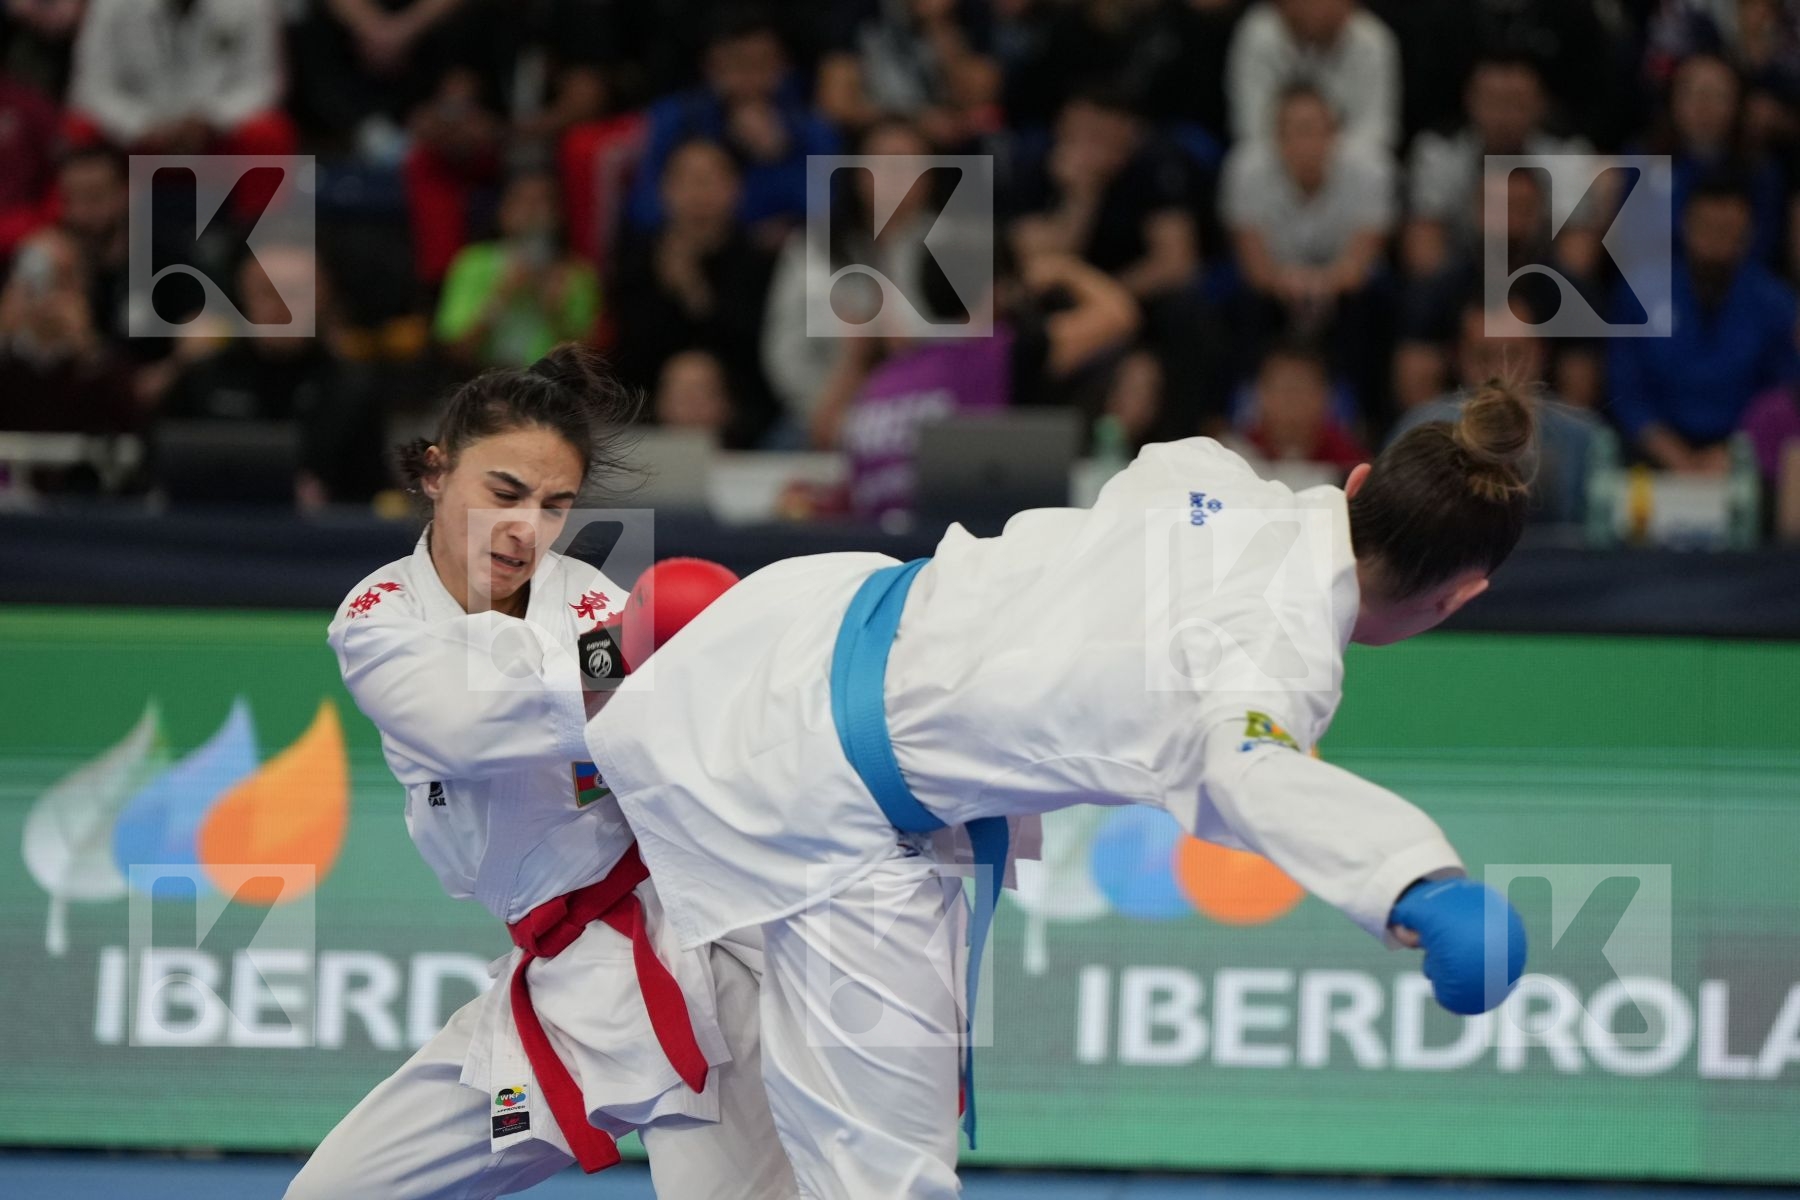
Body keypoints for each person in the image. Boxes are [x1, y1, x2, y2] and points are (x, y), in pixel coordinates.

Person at [585, 383, 1537, 1197]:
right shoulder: (1272, 662)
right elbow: (1254, 771)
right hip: (827, 807)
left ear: (1358, 483)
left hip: (787, 624)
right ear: (1458, 598)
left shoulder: (1206, 472)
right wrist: (1421, 883)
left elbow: (1163, 478)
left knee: (741, 1149)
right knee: (881, 1183)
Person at [289, 346, 797, 1200]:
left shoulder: (593, 605)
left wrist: (690, 665)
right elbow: (459, 727)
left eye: (555, 505)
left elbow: (681, 735)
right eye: (505, 493)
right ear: (436, 471)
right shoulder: (381, 619)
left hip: (696, 961)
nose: (528, 527)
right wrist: (625, 677)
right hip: (565, 983)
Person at [1609, 177, 1800, 474]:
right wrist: (1674, 455)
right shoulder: (1640, 293)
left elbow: (1781, 392)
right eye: (1707, 228)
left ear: (1748, 232)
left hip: (1744, 454)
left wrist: (1734, 450)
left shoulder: (1775, 303)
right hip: (1654, 449)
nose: (1715, 243)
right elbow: (1626, 388)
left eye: (1727, 231)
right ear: (1685, 225)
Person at [433, 168, 600, 371]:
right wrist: (502, 296)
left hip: (552, 385)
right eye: (521, 200)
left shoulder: (577, 273)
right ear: (503, 211)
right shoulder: (473, 262)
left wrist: (555, 311)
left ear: (559, 214)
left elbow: (589, 359)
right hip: (486, 379)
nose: (532, 210)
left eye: (543, 201)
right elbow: (455, 349)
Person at [1225, 0, 1401, 152]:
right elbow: (1250, 125)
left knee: (1374, 165)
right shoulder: (1258, 33)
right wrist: (1297, 151)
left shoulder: (1372, 40)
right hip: (1277, 156)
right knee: (1247, 162)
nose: (1317, 10)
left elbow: (1378, 129)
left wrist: (1321, 153)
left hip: (1345, 160)